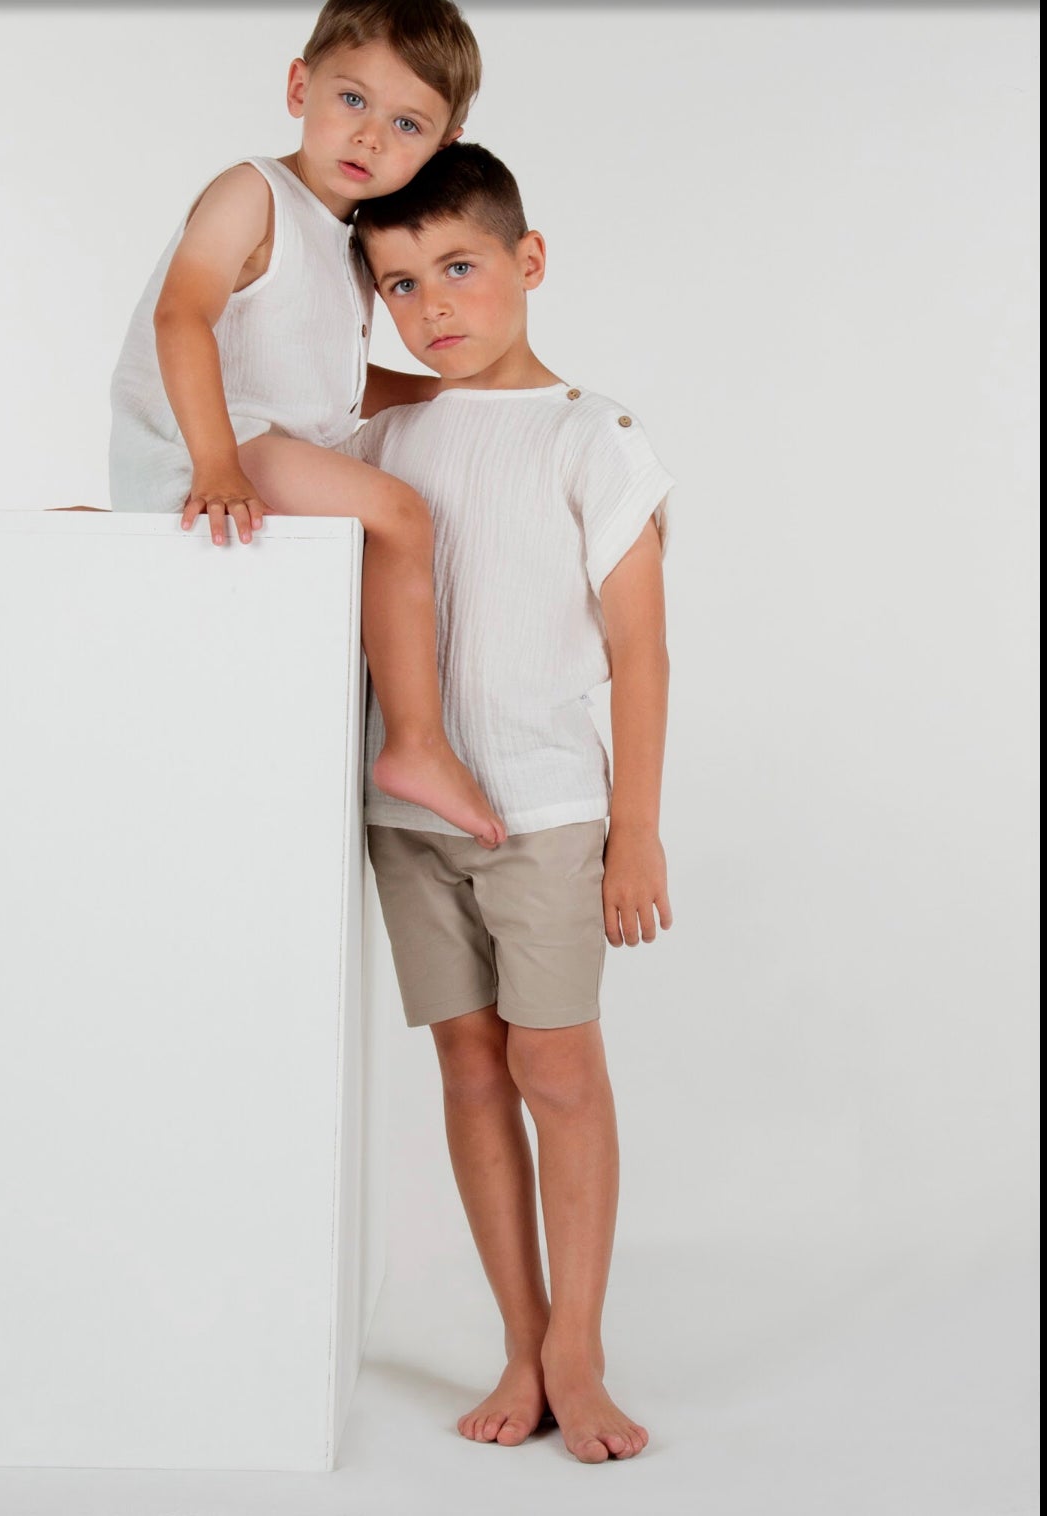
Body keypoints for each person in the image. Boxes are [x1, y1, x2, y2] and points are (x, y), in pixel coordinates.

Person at [344, 143, 676, 1463]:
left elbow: (641, 648)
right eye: (399, 283)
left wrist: (634, 828)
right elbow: (274, 403)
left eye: (460, 268)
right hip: (410, 822)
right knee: (471, 1067)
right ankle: (522, 1341)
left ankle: (578, 1348)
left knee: (555, 1067)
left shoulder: (593, 435)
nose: (432, 305)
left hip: (543, 811)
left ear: (528, 262)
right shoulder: (383, 432)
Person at [107, 0, 504, 847]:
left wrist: (450, 392)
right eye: (351, 100)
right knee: (399, 513)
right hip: (209, 447)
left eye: (405, 124)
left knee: (395, 501)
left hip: (262, 447)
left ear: (443, 146)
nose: (368, 137)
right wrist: (215, 464)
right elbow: (181, 317)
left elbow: (333, 388)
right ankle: (416, 745)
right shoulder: (253, 193)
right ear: (298, 86)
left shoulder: (351, 242)